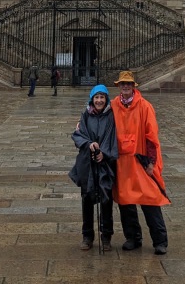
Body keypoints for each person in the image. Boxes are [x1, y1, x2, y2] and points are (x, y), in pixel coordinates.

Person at [111, 70, 169, 255]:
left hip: (140, 160)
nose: (125, 86)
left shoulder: (145, 106)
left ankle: (160, 241)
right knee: (125, 201)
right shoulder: (113, 105)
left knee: (150, 200)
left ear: (133, 86)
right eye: (123, 84)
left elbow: (152, 136)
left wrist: (151, 161)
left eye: (128, 84)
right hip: (122, 162)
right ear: (119, 86)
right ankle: (133, 238)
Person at [69, 84, 118, 252]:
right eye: (96, 97)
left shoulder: (111, 116)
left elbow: (113, 137)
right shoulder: (85, 115)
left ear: (106, 99)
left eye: (102, 97)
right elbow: (78, 135)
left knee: (106, 199)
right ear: (92, 99)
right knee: (87, 198)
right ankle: (87, 235)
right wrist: (89, 144)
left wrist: (104, 153)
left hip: (105, 164)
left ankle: (106, 236)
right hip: (87, 163)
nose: (99, 100)